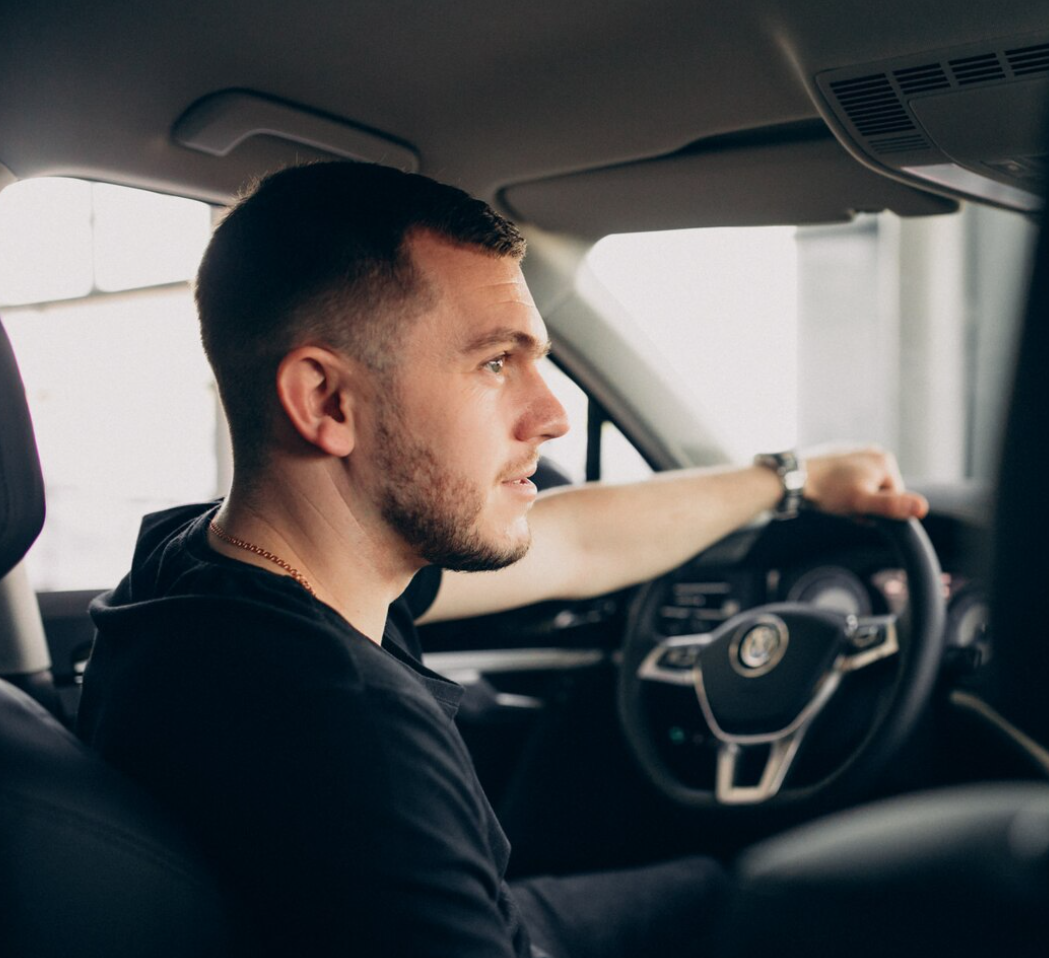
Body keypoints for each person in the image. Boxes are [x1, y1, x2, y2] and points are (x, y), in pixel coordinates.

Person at [76, 161, 929, 958]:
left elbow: (574, 543)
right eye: (495, 363)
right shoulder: (351, 735)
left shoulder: (198, 568)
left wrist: (793, 477)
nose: (552, 415)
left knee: (730, 886)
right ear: (325, 400)